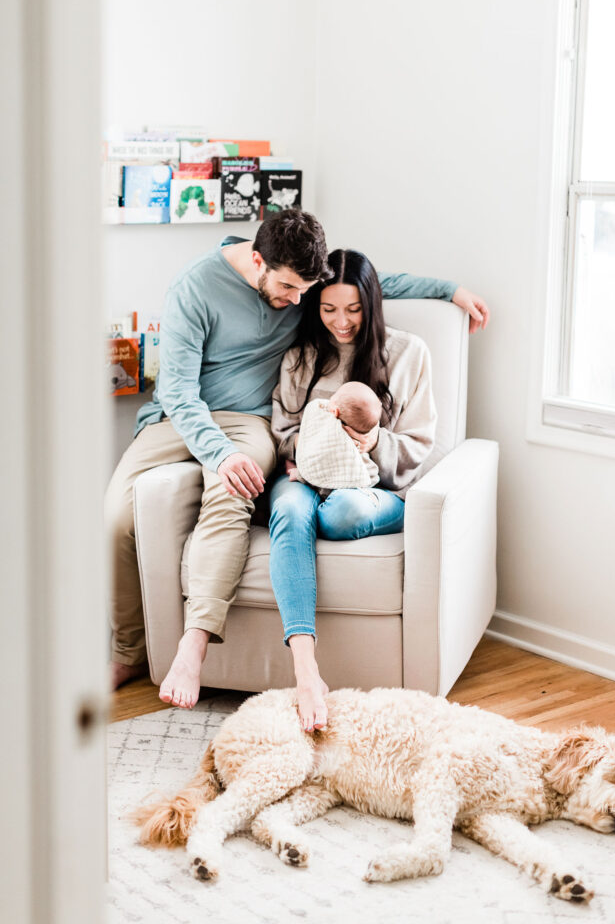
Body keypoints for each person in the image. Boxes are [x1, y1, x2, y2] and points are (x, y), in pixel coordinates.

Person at [106, 209, 489, 709]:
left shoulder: (308, 284)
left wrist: (450, 290)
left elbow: (366, 284)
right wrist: (218, 452)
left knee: (233, 493)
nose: (298, 303)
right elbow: (178, 392)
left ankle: (194, 644)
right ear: (259, 260)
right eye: (289, 289)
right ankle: (129, 648)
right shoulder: (195, 288)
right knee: (114, 521)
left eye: (306, 291)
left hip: (249, 422)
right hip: (180, 415)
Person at [270, 248, 446, 731]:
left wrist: (370, 441)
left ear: (372, 303)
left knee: (342, 513)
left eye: (353, 309)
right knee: (288, 512)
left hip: (376, 487)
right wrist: (314, 444)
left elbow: (418, 446)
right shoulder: (302, 356)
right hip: (305, 476)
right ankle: (306, 670)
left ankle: (364, 505)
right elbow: (281, 428)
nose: (341, 322)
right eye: (328, 309)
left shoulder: (409, 354)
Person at [289, 381, 382, 492]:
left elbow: (315, 459)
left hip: (323, 487)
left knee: (316, 464)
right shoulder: (361, 445)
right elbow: (371, 476)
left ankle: (299, 475)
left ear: (335, 412)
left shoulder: (329, 434)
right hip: (350, 487)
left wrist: (299, 474)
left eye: (334, 396)